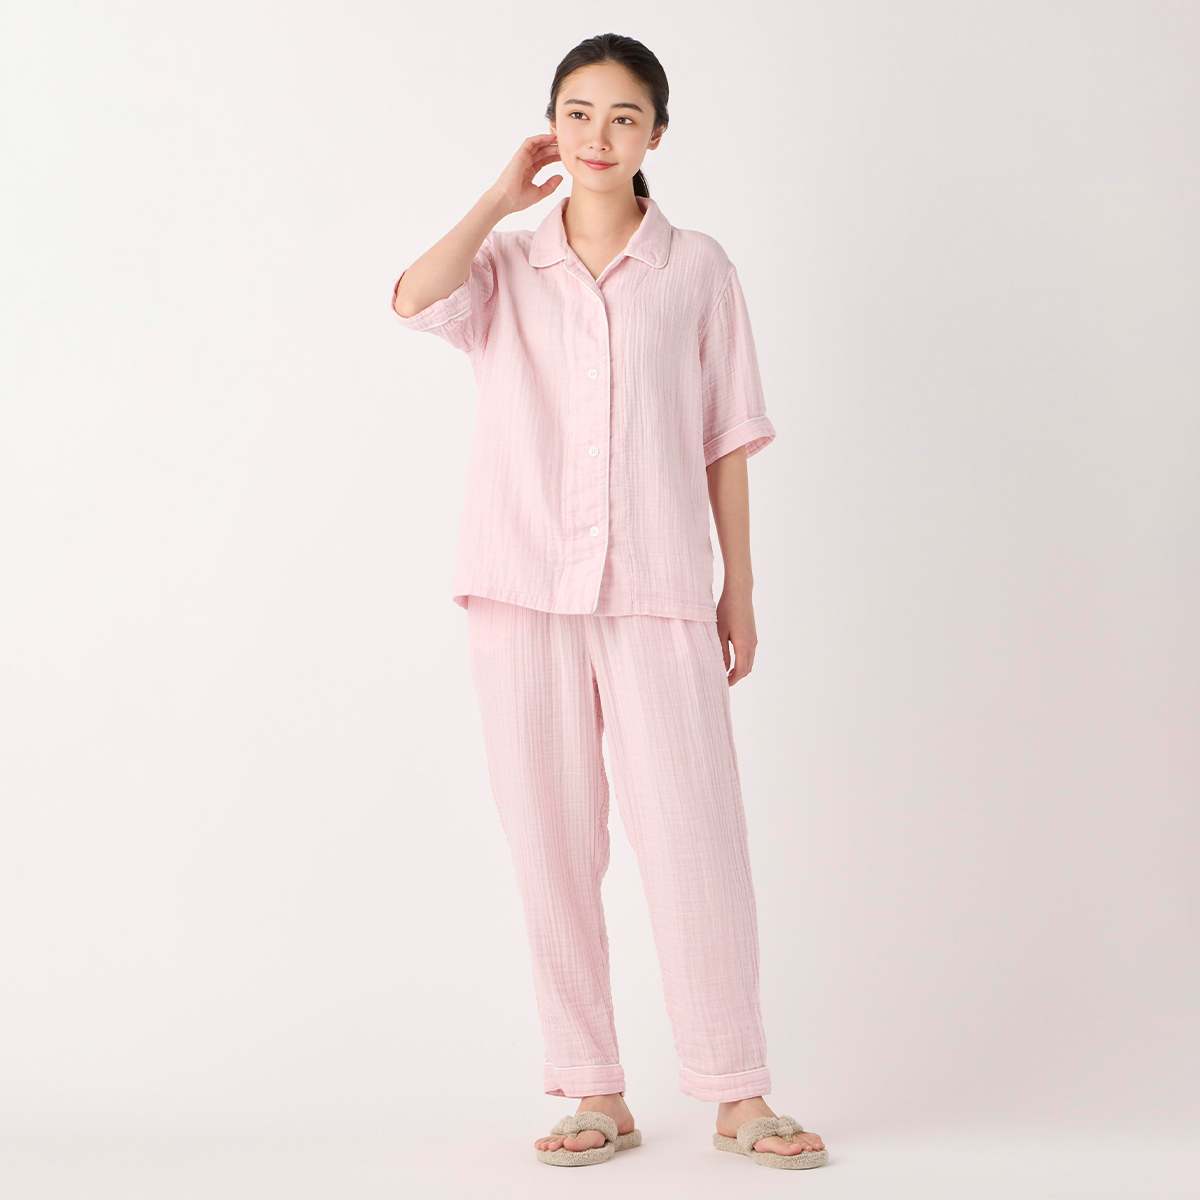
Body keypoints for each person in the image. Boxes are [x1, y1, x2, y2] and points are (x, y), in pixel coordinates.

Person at [391, 33, 828, 1171]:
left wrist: (739, 590)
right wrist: (498, 198)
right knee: (551, 843)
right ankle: (592, 1087)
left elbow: (726, 437)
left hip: (658, 589)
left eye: (623, 116)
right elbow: (413, 300)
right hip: (520, 588)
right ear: (551, 127)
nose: (597, 135)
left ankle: (737, 1092)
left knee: (695, 839)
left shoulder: (698, 269)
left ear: (656, 136)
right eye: (577, 113)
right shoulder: (505, 266)